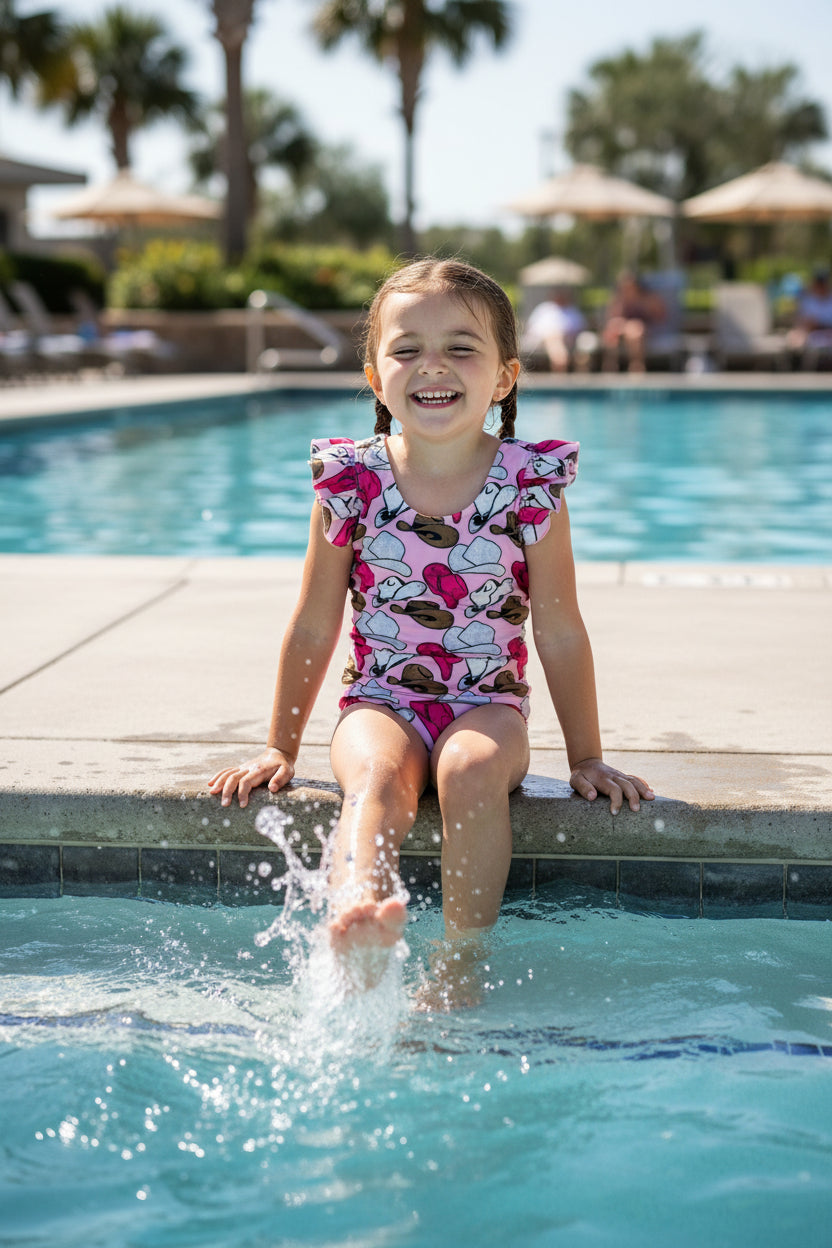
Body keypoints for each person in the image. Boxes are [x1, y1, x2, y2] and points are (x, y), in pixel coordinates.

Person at [208, 258, 653, 993]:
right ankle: (358, 917)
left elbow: (560, 629)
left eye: (461, 347)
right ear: (376, 377)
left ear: (503, 378)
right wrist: (278, 745)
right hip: (379, 700)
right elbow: (315, 622)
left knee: (469, 771)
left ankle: (459, 966)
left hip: (488, 708)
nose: (432, 366)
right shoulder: (350, 483)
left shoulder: (528, 485)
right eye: (406, 348)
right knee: (377, 777)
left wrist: (586, 756)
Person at [601, 271, 666, 373]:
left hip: (648, 332)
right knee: (612, 329)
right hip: (624, 330)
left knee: (634, 330)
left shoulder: (648, 298)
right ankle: (610, 366)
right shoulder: (619, 300)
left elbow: (660, 317)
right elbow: (612, 316)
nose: (627, 289)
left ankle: (636, 366)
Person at [521, 287, 588, 372]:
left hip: (569, 339)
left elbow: (581, 328)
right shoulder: (544, 309)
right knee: (554, 340)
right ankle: (560, 369)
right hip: (545, 339)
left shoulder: (572, 311)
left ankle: (569, 370)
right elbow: (532, 328)